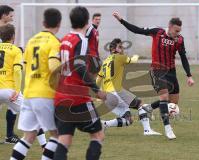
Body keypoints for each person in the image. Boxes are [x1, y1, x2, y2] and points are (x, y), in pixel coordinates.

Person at [113, 12, 194, 139]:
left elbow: (183, 57)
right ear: (170, 26)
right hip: (157, 70)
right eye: (176, 30)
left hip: (171, 72)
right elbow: (137, 30)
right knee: (164, 96)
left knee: (172, 104)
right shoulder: (157, 32)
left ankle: (149, 108)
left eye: (179, 31)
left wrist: (189, 75)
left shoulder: (180, 39)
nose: (178, 33)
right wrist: (121, 20)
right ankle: (168, 129)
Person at [53, 6, 106, 160]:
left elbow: (58, 65)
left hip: (61, 98)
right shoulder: (81, 40)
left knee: (64, 140)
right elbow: (79, 65)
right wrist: (97, 90)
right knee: (97, 135)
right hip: (78, 99)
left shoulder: (64, 40)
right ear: (87, 22)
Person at [10, 8, 62, 160]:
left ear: (43, 23)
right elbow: (53, 67)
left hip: (28, 93)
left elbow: (25, 66)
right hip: (45, 94)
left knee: (29, 136)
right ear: (58, 24)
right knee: (57, 135)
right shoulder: (54, 42)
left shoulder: (31, 41)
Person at [96, 38, 161, 136]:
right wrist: (137, 54)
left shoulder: (105, 62)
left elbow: (98, 79)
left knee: (128, 120)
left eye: (122, 47)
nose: (122, 49)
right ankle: (147, 130)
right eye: (120, 47)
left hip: (106, 97)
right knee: (140, 104)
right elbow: (133, 60)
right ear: (113, 50)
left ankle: (104, 124)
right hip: (116, 92)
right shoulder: (119, 57)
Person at [0, 24, 23, 144]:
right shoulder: (15, 50)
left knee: (12, 109)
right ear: (13, 36)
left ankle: (9, 136)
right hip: (8, 90)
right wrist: (17, 90)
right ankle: (44, 145)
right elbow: (17, 71)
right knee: (29, 111)